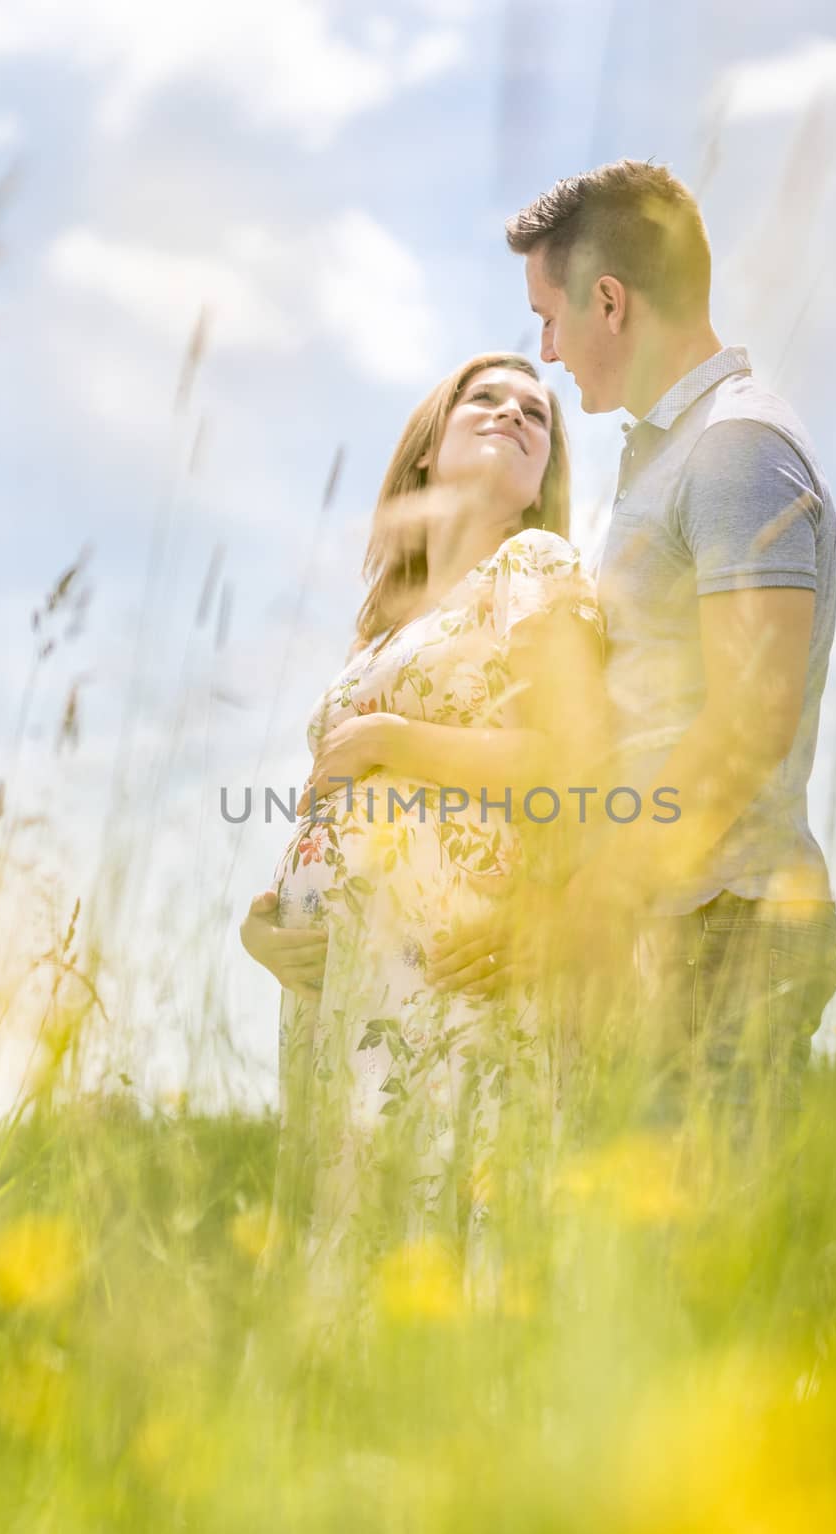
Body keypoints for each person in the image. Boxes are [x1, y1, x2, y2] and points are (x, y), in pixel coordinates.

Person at [430, 160, 836, 1132]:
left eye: (548, 316)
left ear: (607, 301)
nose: (545, 348)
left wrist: (586, 908)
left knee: (701, 1271)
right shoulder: (667, 460)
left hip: (723, 934)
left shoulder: (735, 448)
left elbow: (747, 725)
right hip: (670, 931)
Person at [240, 352, 607, 1275]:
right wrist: (267, 925)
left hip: (454, 976)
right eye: (484, 399)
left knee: (438, 1235)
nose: (515, 413)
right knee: (347, 1243)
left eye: (538, 414)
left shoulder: (533, 565)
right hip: (340, 999)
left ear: (541, 482)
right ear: (423, 456)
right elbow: (340, 803)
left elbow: (576, 760)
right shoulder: (381, 634)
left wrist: (395, 740)